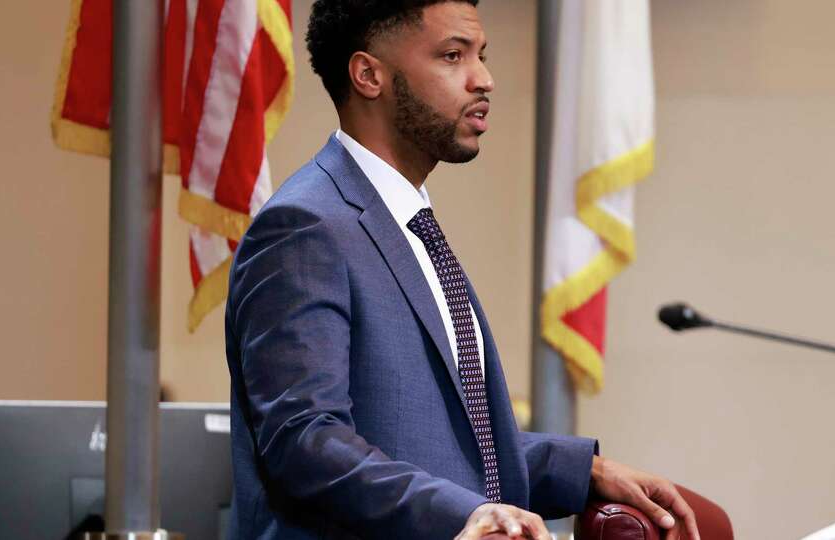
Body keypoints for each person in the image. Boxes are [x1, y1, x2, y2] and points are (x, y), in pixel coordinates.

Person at [224, 1, 700, 539]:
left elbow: (440, 441)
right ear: (368, 75)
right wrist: (462, 514)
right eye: (453, 56)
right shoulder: (305, 226)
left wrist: (585, 471)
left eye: (481, 55)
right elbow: (306, 442)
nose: (485, 79)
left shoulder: (405, 221)